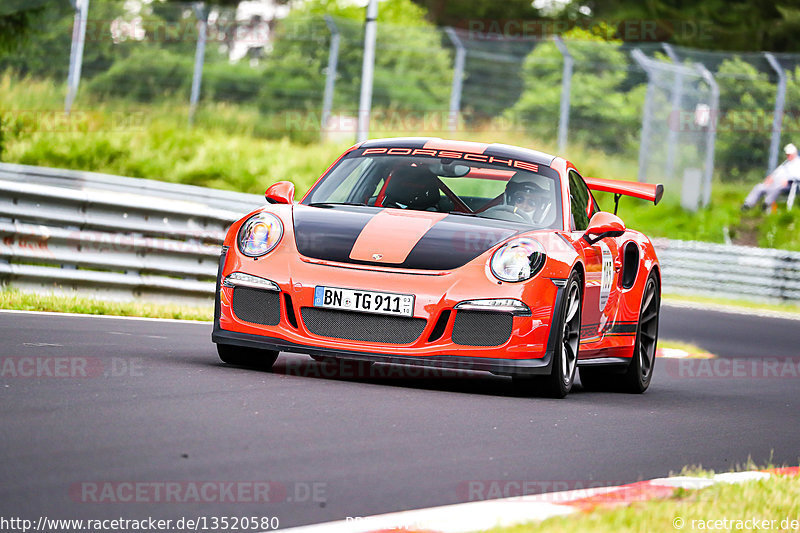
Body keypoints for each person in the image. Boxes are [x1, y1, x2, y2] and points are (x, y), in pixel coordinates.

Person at [742, 143, 800, 212]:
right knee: (759, 187)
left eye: (790, 154)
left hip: (790, 185)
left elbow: (797, 176)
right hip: (776, 183)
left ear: (795, 153)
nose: (788, 156)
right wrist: (771, 177)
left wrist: (788, 180)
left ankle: (766, 204)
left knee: (777, 188)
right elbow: (776, 173)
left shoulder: (798, 163)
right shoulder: (785, 163)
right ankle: (748, 205)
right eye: (787, 155)